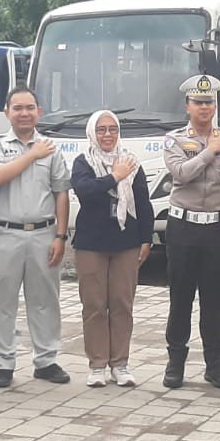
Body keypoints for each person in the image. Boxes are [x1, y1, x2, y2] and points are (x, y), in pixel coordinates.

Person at [0, 85, 72, 388]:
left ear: (39, 112)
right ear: (7, 112)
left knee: (45, 299)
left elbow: (61, 193)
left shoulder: (51, 147)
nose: (24, 113)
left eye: (30, 107)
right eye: (17, 108)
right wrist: (32, 155)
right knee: (1, 300)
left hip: (43, 233)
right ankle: (3, 363)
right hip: (4, 233)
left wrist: (61, 234)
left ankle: (46, 360)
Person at [161, 74, 220, 389]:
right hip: (184, 227)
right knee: (180, 297)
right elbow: (182, 174)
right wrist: (210, 150)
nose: (204, 107)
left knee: (214, 299)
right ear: (187, 106)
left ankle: (215, 364)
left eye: (209, 102)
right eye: (198, 102)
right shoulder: (174, 140)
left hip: (217, 230)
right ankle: (175, 364)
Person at [70, 110, 154, 387]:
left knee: (121, 303)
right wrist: (113, 177)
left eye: (113, 129)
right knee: (94, 305)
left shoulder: (131, 162)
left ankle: (120, 363)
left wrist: (146, 238)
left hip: (125, 243)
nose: (107, 135)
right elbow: (85, 190)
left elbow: (142, 202)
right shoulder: (83, 162)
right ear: (92, 133)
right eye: (102, 130)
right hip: (91, 244)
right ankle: (96, 364)